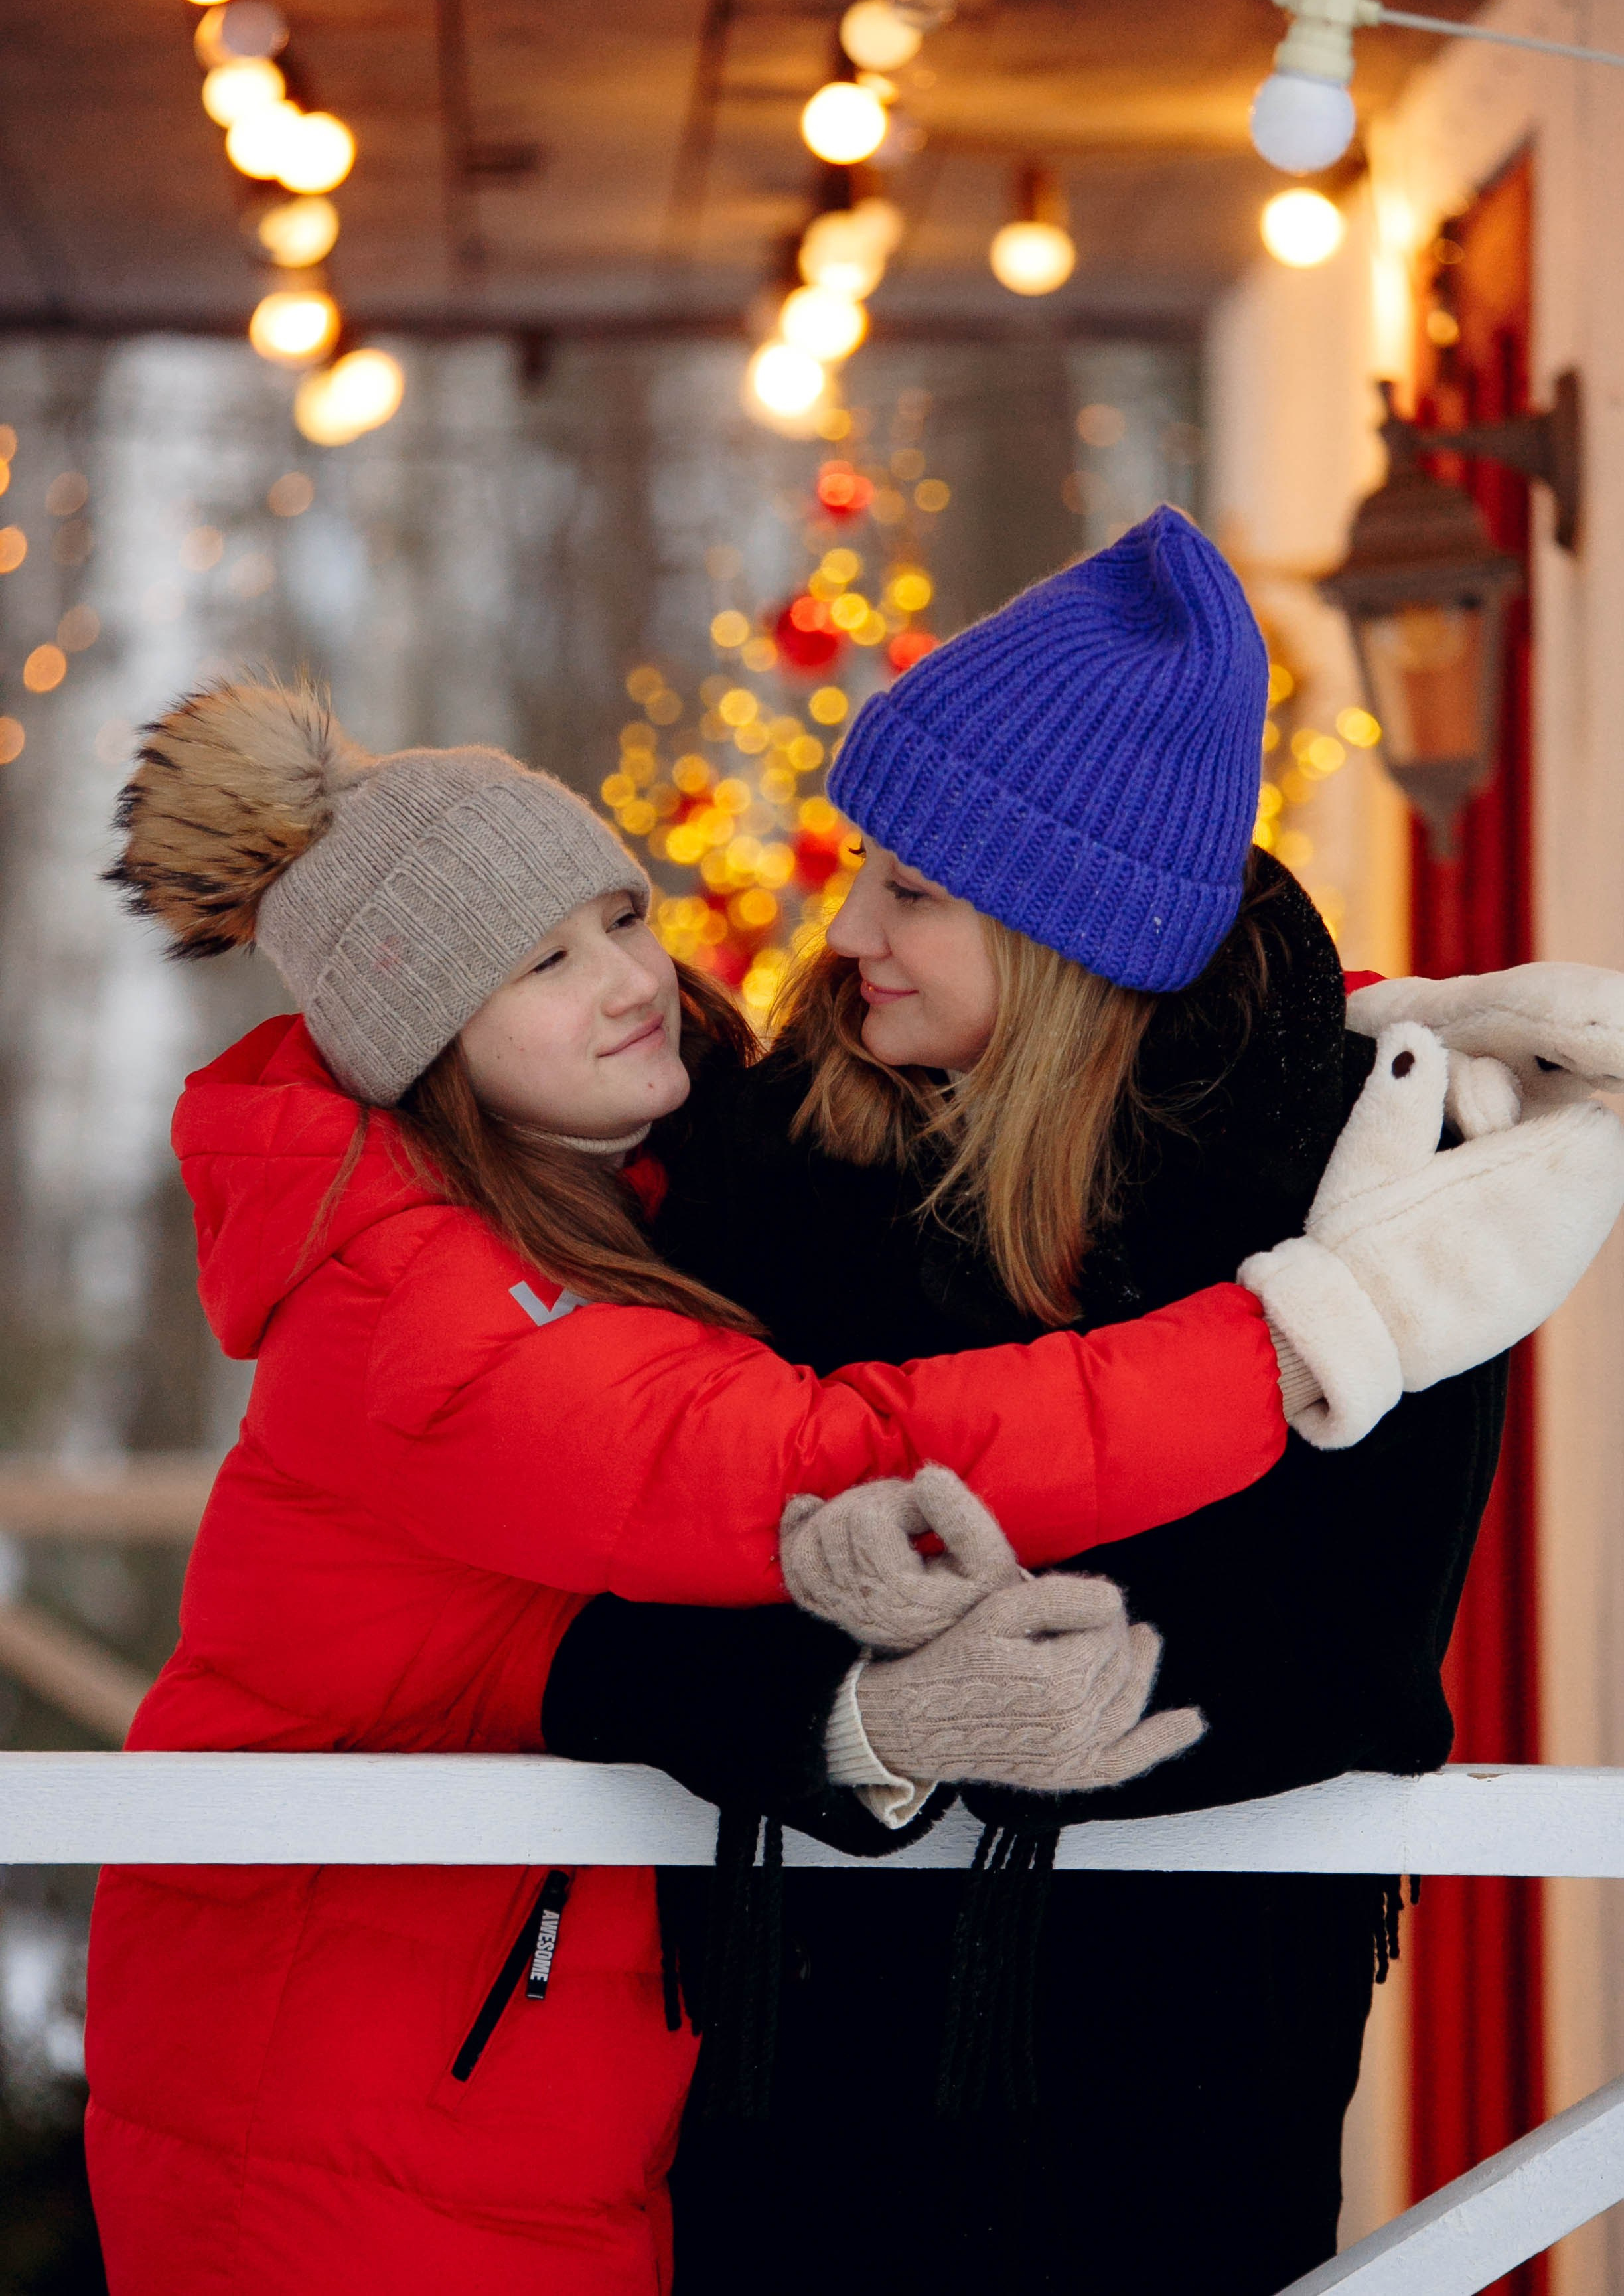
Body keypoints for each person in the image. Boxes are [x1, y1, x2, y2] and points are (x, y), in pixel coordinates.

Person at [80, 664, 1587, 2296]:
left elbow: (1329, 1648)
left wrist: (1362, 1015)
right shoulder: (448, 1297)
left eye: (619, 917)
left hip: (582, 2062)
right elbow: (806, 1469)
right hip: (369, 2077)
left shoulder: (636, 1182)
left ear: (1071, 925)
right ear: (424, 1038)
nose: (636, 977)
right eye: (540, 960)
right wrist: (1311, 1331)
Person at [540, 508, 1624, 2294]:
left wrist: (908, 1642)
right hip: (796, 2068)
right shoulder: (775, 1156)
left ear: (1065, 928)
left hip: (1178, 2076)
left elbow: (1340, 1654)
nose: (847, 925)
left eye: (914, 889)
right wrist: (870, 1716)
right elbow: (624, 1599)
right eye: (867, 866)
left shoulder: (1363, 1164)